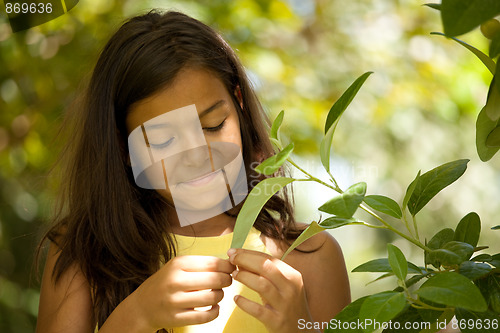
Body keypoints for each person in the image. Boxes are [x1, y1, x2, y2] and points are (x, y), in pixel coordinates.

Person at [36, 10, 350, 333]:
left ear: (238, 103)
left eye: (213, 125)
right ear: (123, 148)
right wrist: (137, 316)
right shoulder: (82, 252)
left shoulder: (311, 256)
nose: (197, 156)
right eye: (164, 140)